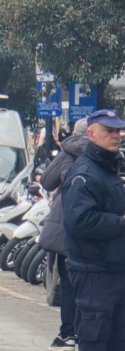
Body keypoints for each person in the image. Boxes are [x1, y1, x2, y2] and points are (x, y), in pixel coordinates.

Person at [60, 109, 125, 351]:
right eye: (108, 130)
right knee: (95, 340)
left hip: (114, 269)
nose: (116, 135)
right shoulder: (84, 173)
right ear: (91, 134)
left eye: (118, 130)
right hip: (93, 272)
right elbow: (80, 221)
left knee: (117, 340)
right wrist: (120, 223)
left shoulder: (109, 168)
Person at [40, 118, 88, 351]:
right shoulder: (105, 155)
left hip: (66, 225)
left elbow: (47, 182)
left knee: (68, 283)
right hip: (93, 228)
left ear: (73, 132)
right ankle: (85, 332)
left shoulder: (67, 153)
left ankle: (69, 333)